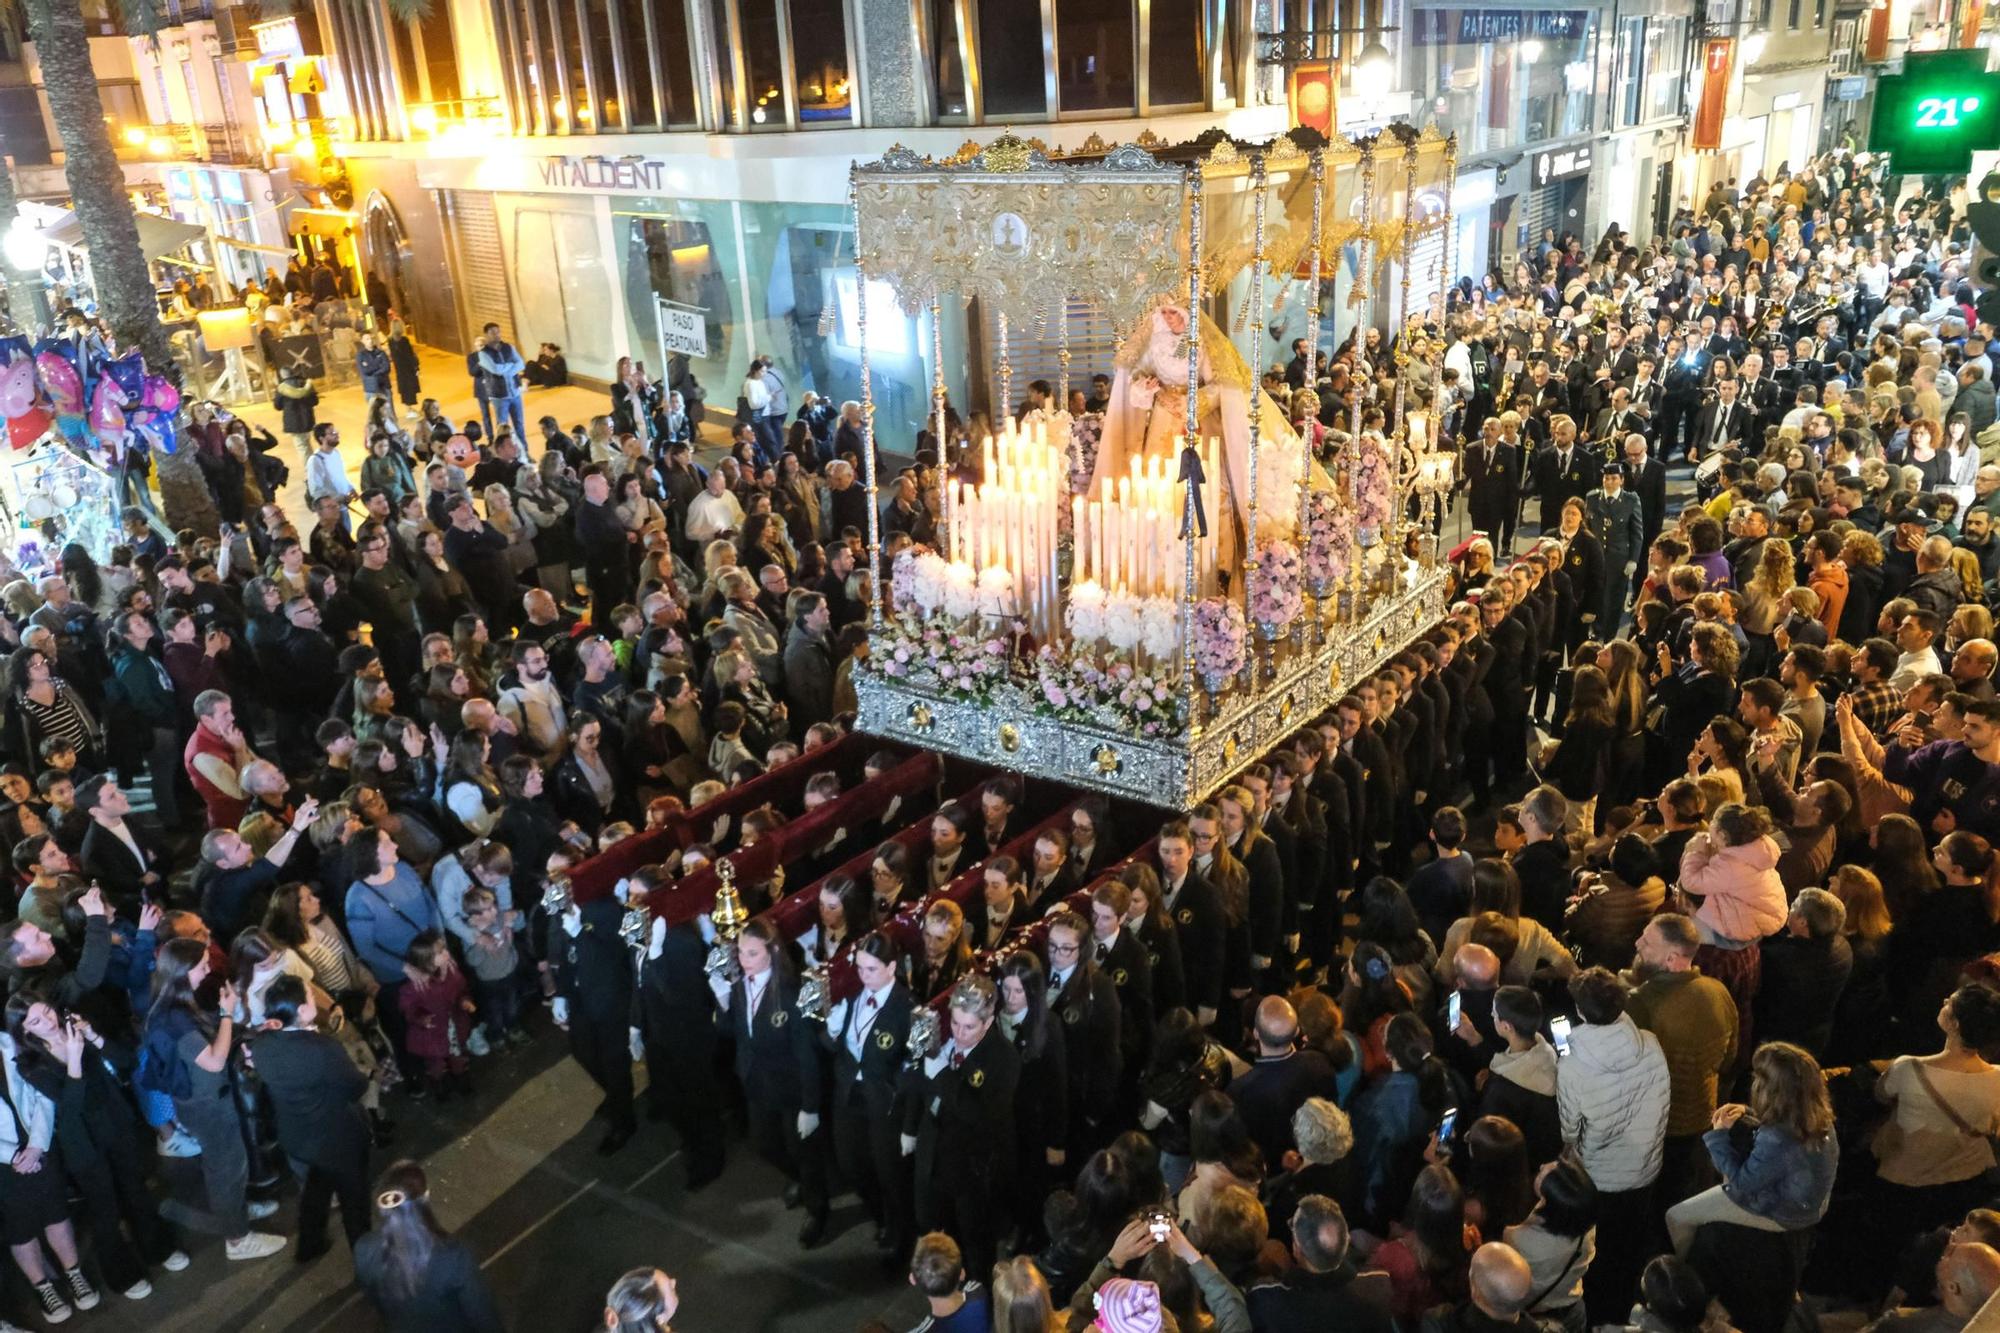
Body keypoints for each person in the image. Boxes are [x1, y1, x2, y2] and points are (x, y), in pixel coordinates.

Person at [1663, 1041, 1838, 1255]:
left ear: (1771, 1090)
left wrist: (1718, 1136)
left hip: (1783, 1211)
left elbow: (1741, 1185)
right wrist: (1747, 1111)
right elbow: (1782, 1121)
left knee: (1676, 1216)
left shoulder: (1777, 1139)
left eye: (1758, 1078)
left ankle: (1686, 1279)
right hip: (1812, 1202)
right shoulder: (1817, 1114)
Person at [250, 974, 372, 1262]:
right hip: (337, 1138)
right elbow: (356, 1086)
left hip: (297, 1137)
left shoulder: (263, 1043)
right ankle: (367, 1261)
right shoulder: (321, 1049)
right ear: (302, 1010)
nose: (313, 995)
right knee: (355, 1202)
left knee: (317, 1188)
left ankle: (310, 1244)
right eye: (309, 993)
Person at [352, 1161, 504, 1332]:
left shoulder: (363, 1249)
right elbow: (482, 1316)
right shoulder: (453, 1257)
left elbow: (375, 1298)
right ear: (425, 1197)